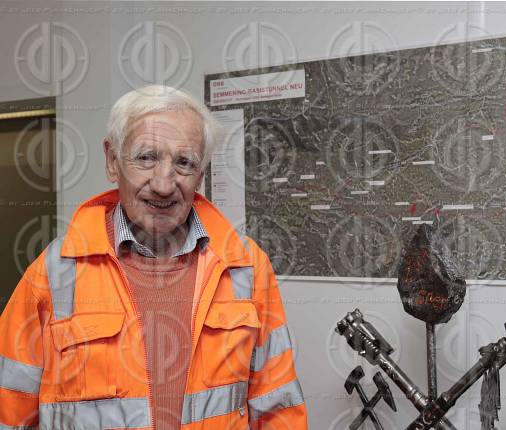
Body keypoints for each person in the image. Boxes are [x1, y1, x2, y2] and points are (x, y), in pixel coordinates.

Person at [0, 85, 307, 429]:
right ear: (113, 161)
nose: (163, 183)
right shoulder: (54, 273)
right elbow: (8, 410)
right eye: (146, 157)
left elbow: (279, 409)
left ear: (201, 175)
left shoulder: (247, 268)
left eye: (184, 162)